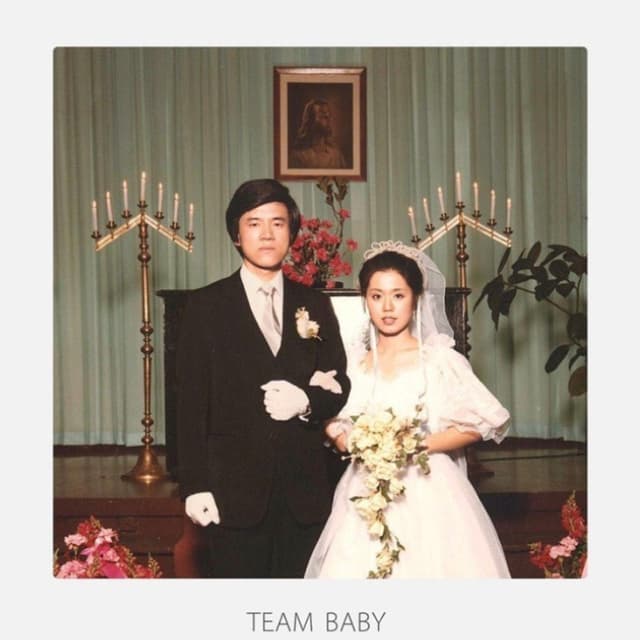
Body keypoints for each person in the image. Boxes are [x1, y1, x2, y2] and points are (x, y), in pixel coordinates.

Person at [305, 240, 511, 578]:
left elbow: (479, 423)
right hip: (363, 490)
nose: (387, 307)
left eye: (398, 295)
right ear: (365, 300)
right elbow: (332, 420)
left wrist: (412, 445)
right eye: (377, 296)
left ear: (415, 299)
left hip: (429, 490)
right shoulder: (352, 364)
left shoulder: (438, 360)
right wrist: (349, 441)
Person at [176, 178, 350, 578]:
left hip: (304, 495)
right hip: (232, 497)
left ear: (292, 232)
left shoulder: (315, 303)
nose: (267, 234)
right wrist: (194, 486)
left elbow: (340, 382)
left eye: (278, 223)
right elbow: (189, 407)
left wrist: (307, 401)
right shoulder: (205, 307)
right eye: (254, 223)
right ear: (236, 235)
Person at [290, 98, 348, 170]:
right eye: (322, 115)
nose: (328, 118)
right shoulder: (299, 156)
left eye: (329, 115)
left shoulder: (337, 156)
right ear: (310, 121)